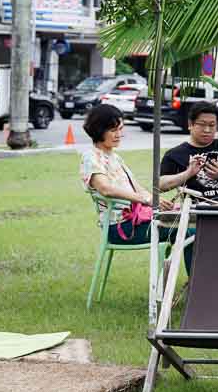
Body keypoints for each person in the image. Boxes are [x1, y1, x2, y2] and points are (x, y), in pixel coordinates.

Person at [79, 104, 193, 273]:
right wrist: (148, 200)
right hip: (120, 228)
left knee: (186, 222)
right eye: (113, 130)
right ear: (98, 130)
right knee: (187, 231)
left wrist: (158, 202)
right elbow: (106, 189)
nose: (119, 135)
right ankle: (195, 287)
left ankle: (189, 285)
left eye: (120, 129)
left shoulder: (114, 156)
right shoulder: (91, 156)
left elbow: (138, 189)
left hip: (136, 220)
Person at [158, 102, 218, 202]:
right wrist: (188, 173)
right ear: (190, 124)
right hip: (199, 209)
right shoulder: (174, 155)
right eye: (202, 124)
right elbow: (159, 186)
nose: (207, 130)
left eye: (212, 125)